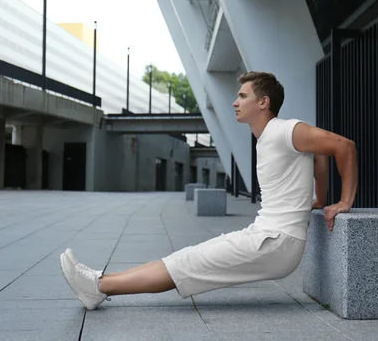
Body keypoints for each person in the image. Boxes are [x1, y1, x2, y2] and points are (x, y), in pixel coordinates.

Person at [60, 71, 358, 310]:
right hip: (269, 236)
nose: (235, 102)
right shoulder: (268, 137)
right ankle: (99, 281)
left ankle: (97, 286)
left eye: (243, 95)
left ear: (264, 102)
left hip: (275, 241)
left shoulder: (285, 129)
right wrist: (318, 199)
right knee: (186, 258)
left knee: (186, 263)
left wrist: (344, 201)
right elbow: (320, 157)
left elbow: (343, 146)